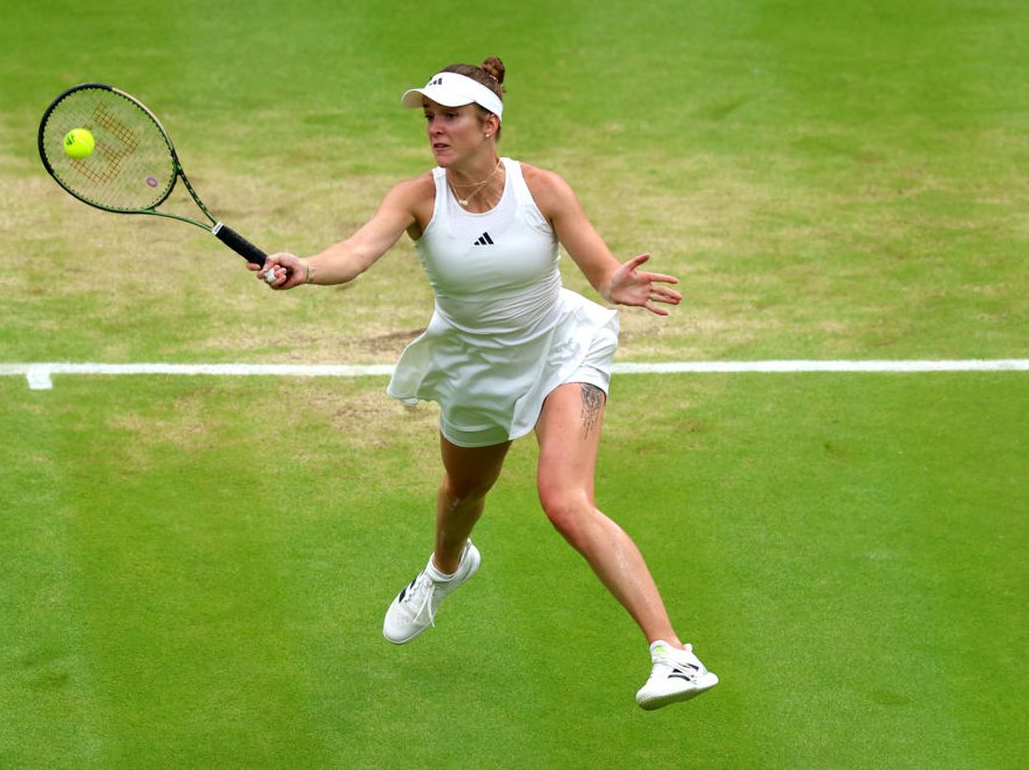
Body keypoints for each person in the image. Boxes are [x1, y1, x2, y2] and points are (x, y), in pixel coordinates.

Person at [255, 56, 717, 710]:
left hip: (563, 348)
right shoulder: (417, 197)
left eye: (449, 117)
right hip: (476, 367)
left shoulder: (543, 190)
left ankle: (674, 654)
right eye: (430, 117)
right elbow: (356, 253)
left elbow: (600, 268)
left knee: (564, 499)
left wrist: (616, 283)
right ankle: (447, 568)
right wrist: (306, 265)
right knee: (463, 491)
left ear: (488, 124)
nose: (435, 128)